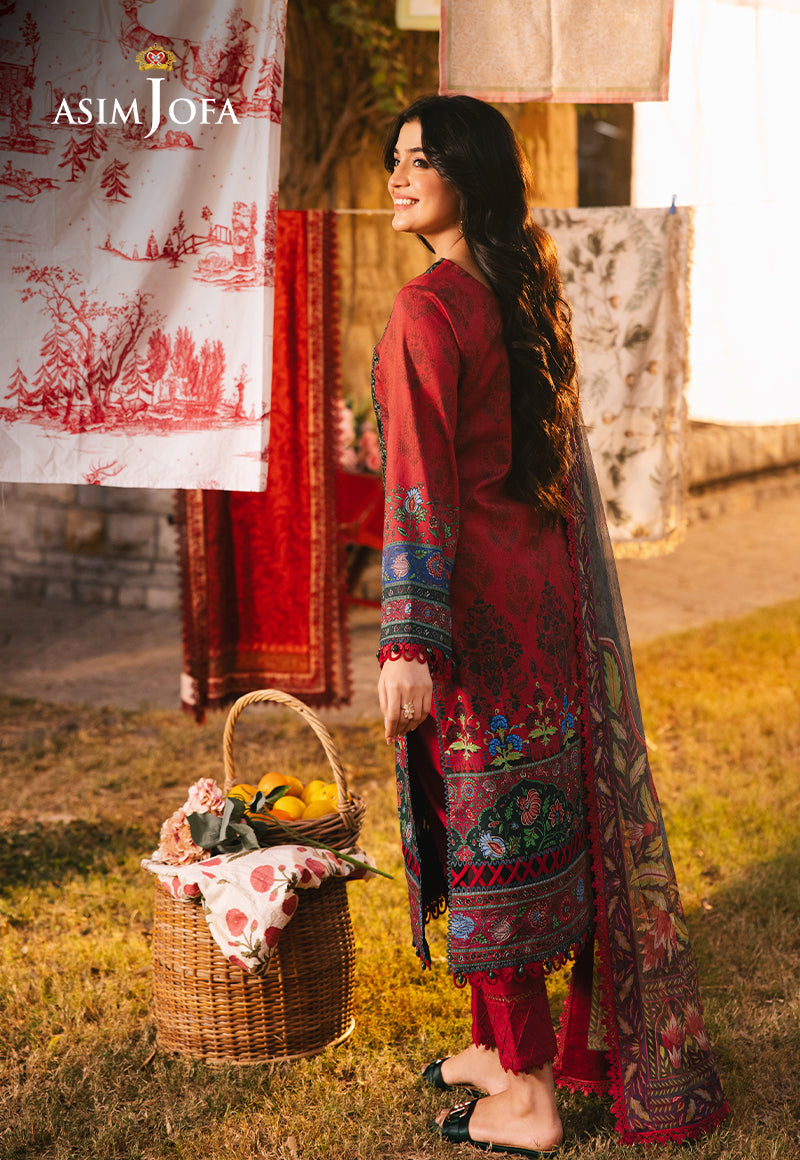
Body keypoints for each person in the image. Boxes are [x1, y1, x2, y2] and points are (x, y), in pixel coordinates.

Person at [372, 94, 728, 1156]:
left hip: (473, 620)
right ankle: (498, 1047)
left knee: (489, 846)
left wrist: (407, 640)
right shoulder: (520, 291)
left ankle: (526, 1095)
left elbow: (418, 486)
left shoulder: (427, 308)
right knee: (525, 834)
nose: (397, 177)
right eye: (395, 159)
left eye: (421, 160)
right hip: (543, 605)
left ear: (469, 176)